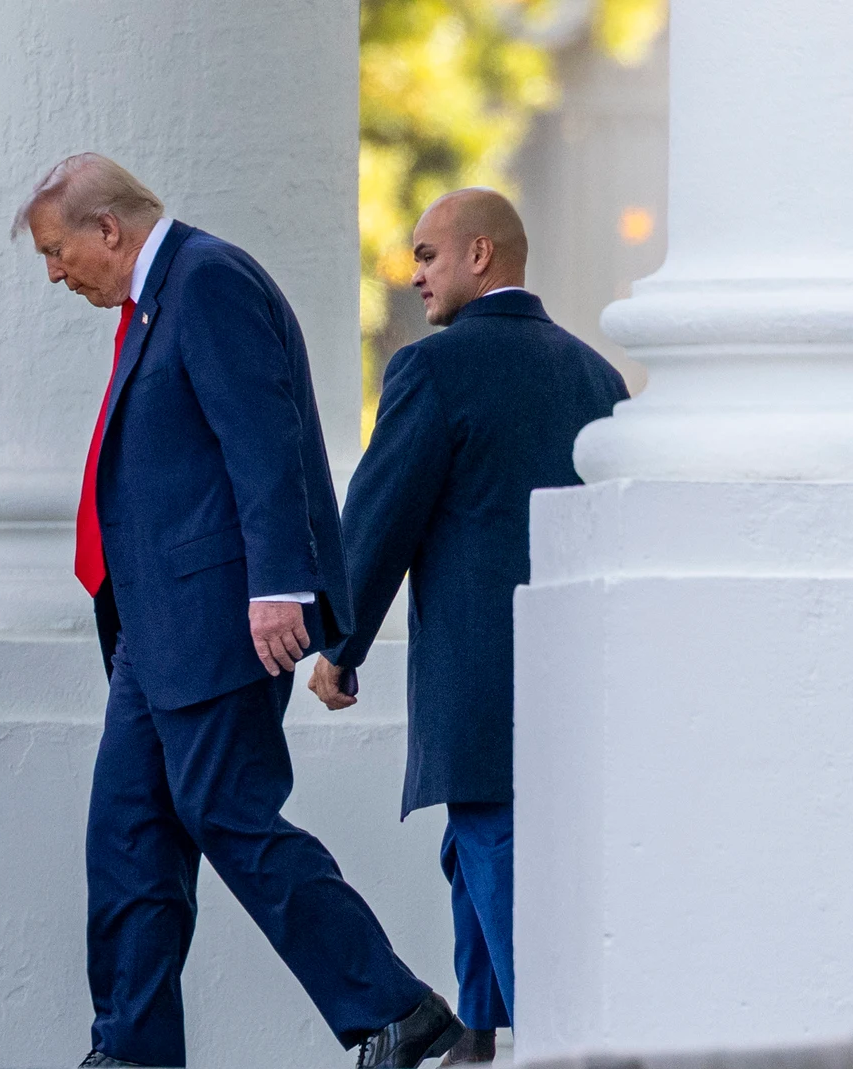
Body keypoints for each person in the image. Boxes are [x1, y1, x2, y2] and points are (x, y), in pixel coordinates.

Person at [16, 152, 461, 1069]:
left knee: (232, 815)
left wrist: (277, 588)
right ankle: (132, 1050)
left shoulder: (207, 278)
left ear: (111, 229)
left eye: (60, 252)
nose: (56, 273)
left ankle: (397, 1010)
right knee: (127, 835)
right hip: (154, 629)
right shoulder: (157, 296)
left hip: (219, 616)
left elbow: (264, 440)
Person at [308, 188, 629, 1065]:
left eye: (427, 255)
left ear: (481, 255)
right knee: (475, 842)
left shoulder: (432, 369)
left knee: (492, 839)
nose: (413, 276)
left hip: (478, 669)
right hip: (573, 662)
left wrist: (339, 644)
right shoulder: (596, 375)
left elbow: (380, 515)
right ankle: (477, 1031)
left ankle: (549, 1040)